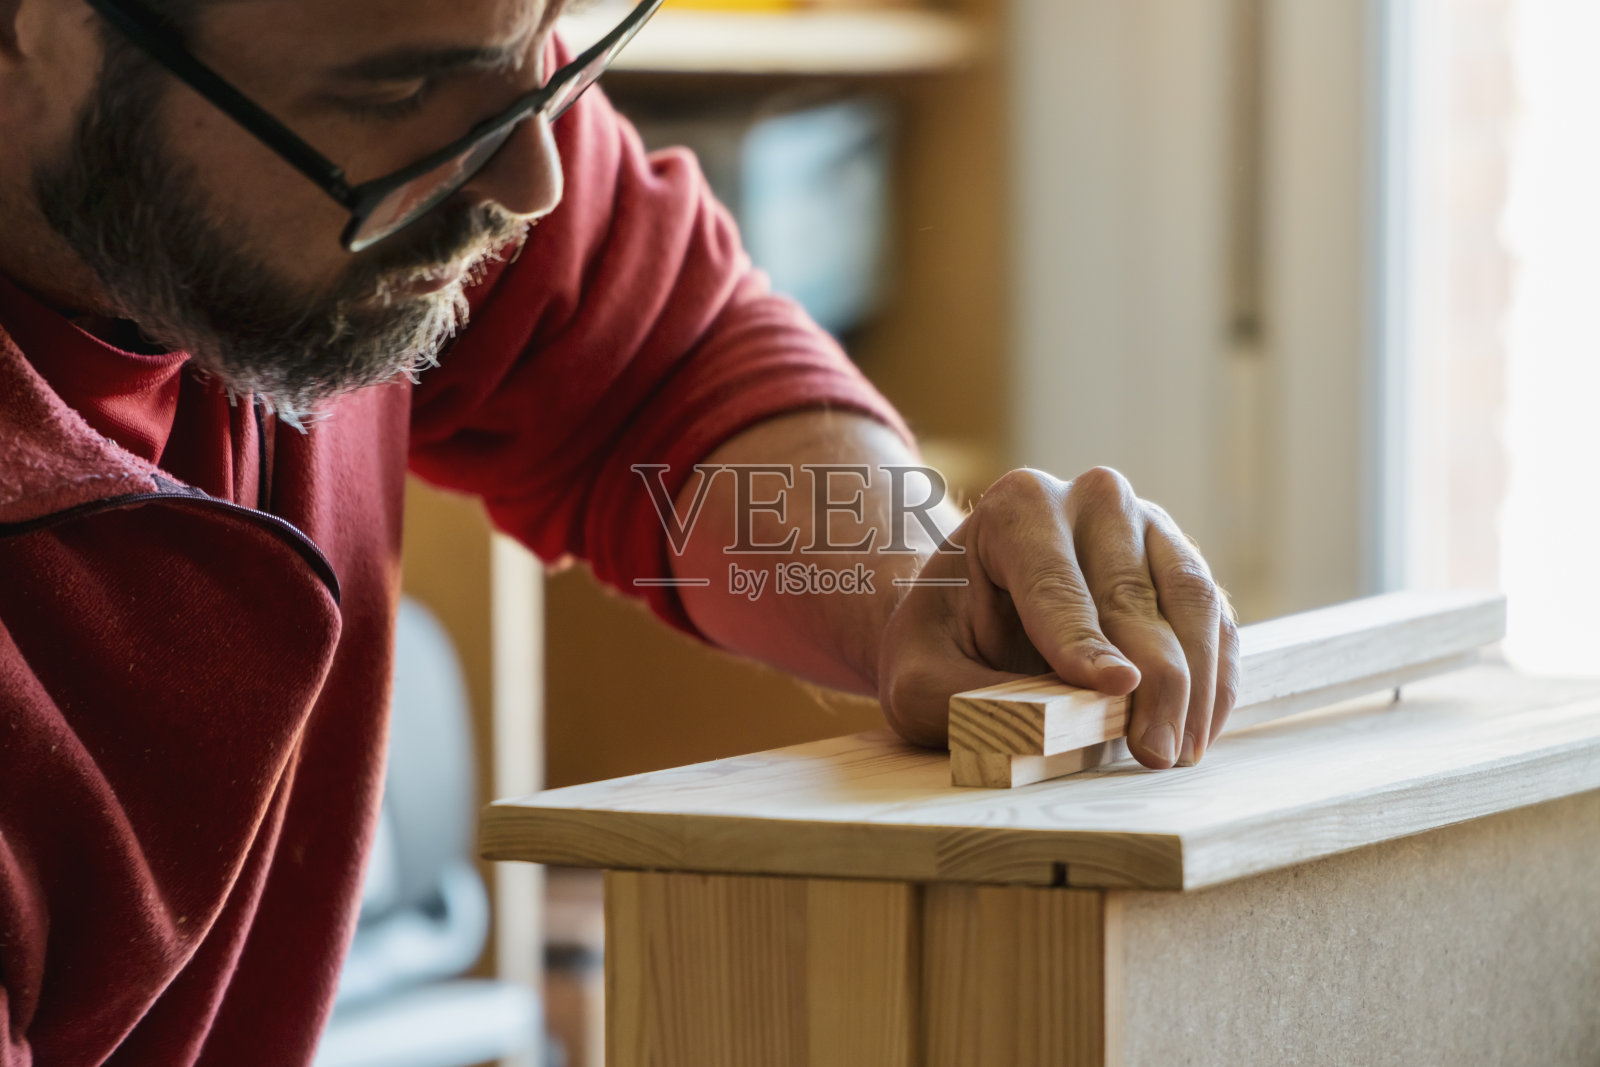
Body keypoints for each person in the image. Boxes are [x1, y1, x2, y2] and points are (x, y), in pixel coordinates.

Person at [0, 0, 1239, 1061]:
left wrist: (915, 581)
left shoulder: (365, 146)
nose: (530, 177)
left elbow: (664, 372)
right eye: (409, 86)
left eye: (546, 38)